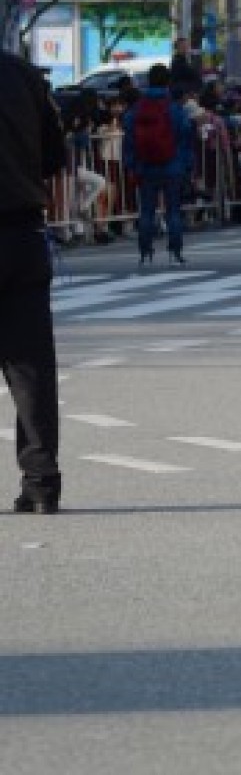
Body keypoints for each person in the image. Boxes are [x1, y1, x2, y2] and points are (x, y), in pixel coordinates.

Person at [2, 50, 69, 513]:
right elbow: (53, 155)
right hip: (20, 231)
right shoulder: (24, 76)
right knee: (30, 366)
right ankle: (41, 480)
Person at [122, 62, 196, 265]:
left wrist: (131, 164)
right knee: (173, 210)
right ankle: (176, 250)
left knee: (146, 210)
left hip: (146, 166)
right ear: (168, 82)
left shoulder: (138, 109)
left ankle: (145, 251)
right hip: (172, 165)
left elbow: (129, 138)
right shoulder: (174, 109)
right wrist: (187, 164)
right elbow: (186, 136)